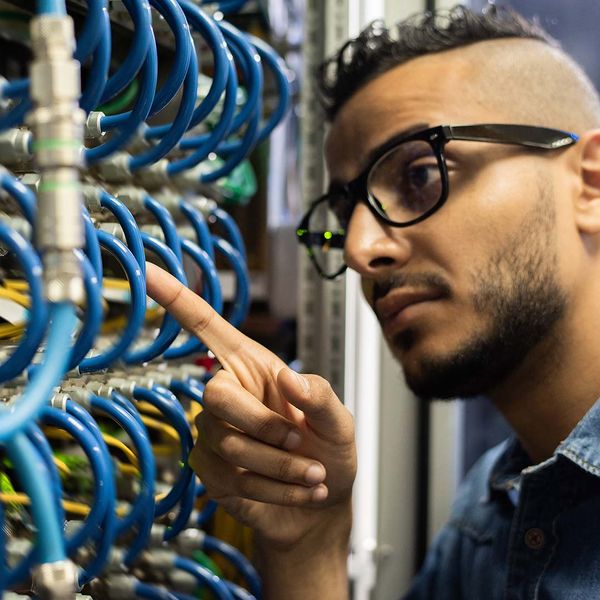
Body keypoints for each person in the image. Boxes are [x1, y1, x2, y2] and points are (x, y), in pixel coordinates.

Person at [145, 4, 600, 598]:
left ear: (589, 183)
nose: (359, 249)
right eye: (342, 216)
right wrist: (309, 543)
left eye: (420, 176)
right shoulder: (493, 509)